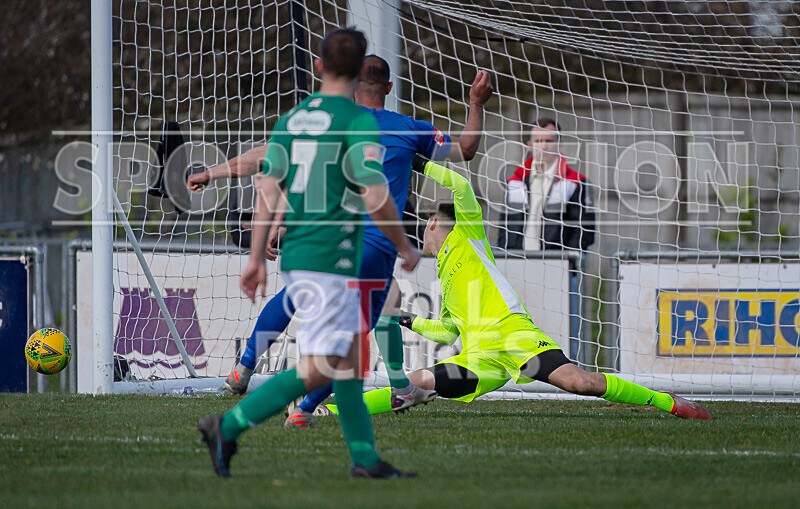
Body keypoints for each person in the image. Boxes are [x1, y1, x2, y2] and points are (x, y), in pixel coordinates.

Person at [189, 56, 494, 426]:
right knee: (354, 339)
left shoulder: (328, 123)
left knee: (311, 299)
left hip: (321, 238)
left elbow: (269, 160)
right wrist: (476, 102)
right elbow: (465, 149)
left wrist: (214, 173)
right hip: (371, 246)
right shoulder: (406, 128)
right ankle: (301, 409)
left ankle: (246, 368)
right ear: (389, 88)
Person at [324, 155, 711, 421]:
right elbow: (450, 330)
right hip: (481, 360)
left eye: (427, 223)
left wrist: (418, 162)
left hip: (515, 340)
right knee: (415, 385)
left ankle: (669, 403)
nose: (422, 231)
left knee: (580, 383)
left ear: (435, 225)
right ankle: (330, 411)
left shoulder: (468, 235)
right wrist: (409, 320)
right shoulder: (442, 270)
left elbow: (458, 182)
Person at [197, 27, 422, 479]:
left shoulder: (294, 119)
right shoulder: (358, 122)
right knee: (325, 367)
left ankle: (365, 459)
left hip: (299, 254)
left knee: (347, 364)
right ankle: (229, 426)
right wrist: (403, 244)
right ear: (361, 73)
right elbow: (375, 195)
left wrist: (257, 256)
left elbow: (267, 187)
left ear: (318, 65)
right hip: (332, 259)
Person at [496, 119, 595, 251]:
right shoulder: (515, 181)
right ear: (530, 145)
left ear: (559, 144)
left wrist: (565, 259)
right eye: (538, 141)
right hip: (516, 260)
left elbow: (585, 231)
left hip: (555, 263)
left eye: (549, 141)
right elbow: (505, 225)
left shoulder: (576, 182)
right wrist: (508, 252)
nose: (543, 146)